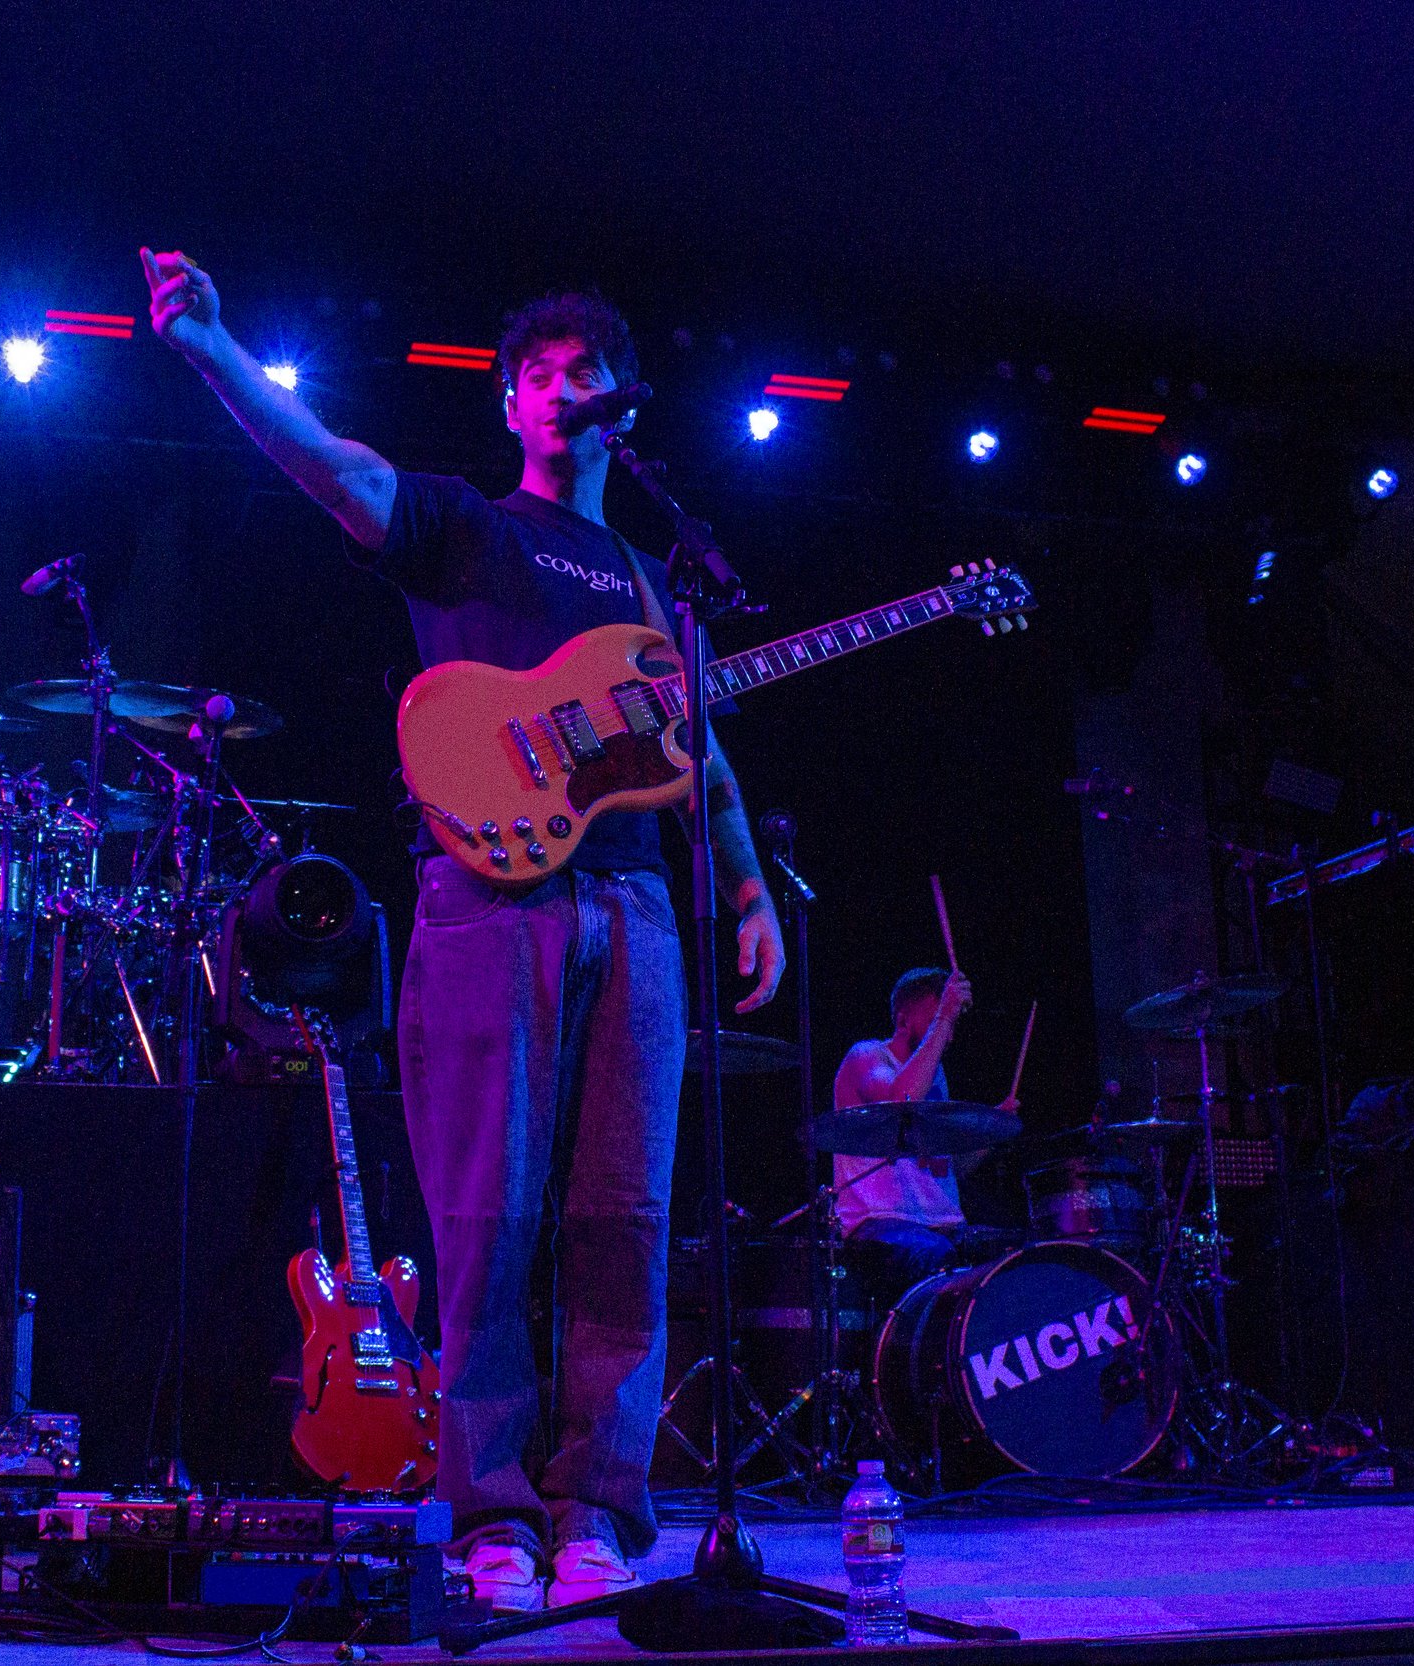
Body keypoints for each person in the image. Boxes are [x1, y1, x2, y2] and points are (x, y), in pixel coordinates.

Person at [141, 251, 784, 1611]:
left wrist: (743, 886)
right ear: (510, 406)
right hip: (490, 897)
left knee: (624, 1217)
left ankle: (599, 1505)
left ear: (622, 404)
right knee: (487, 1214)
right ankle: (488, 1509)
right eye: (539, 376)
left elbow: (703, 755)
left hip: (639, 908)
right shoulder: (468, 529)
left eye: (585, 372)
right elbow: (336, 469)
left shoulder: (651, 580)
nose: (564, 390)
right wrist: (213, 345)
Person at [830, 967, 1010, 1295]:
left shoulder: (935, 1074)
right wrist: (945, 1015)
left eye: (951, 1023)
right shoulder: (867, 1056)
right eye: (938, 1021)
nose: (949, 1036)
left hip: (942, 1226)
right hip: (880, 1224)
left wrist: (991, 1134)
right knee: (937, 1257)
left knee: (1014, 1256)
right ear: (902, 1022)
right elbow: (903, 1100)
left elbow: (947, 1170)